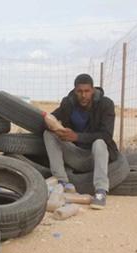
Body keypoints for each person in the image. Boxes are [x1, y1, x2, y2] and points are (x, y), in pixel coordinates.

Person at [43, 73, 119, 209]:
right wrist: (50, 122)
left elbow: (107, 135)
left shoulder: (105, 104)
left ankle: (100, 191)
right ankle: (62, 183)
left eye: (87, 91)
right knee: (49, 134)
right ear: (74, 90)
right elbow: (53, 117)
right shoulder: (68, 103)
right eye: (79, 91)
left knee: (100, 142)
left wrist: (76, 137)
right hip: (75, 155)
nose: (83, 95)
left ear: (93, 90)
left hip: (95, 156)